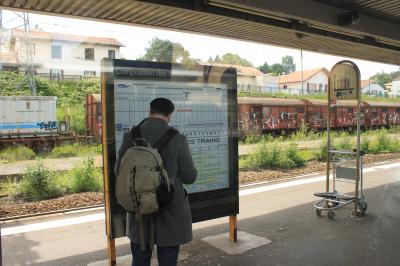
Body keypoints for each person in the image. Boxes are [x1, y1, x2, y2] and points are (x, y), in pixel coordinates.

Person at [116, 98, 197, 266]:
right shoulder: (177, 138)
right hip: (169, 206)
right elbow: (190, 177)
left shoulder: (130, 136)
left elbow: (119, 171)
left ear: (150, 111)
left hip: (139, 207)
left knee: (139, 259)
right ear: (169, 115)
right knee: (168, 258)